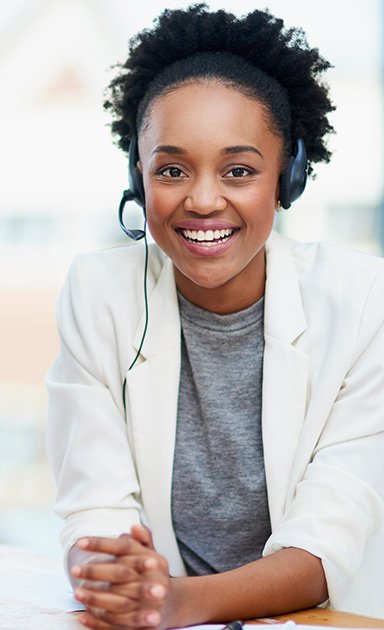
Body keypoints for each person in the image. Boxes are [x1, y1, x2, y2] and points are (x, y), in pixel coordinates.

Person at [46, 4, 384, 629]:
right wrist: (112, 574)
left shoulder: (364, 300)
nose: (202, 199)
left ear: (289, 176)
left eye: (239, 170)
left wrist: (173, 603)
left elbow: (325, 542)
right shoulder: (98, 293)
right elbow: (91, 510)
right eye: (171, 170)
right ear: (136, 176)